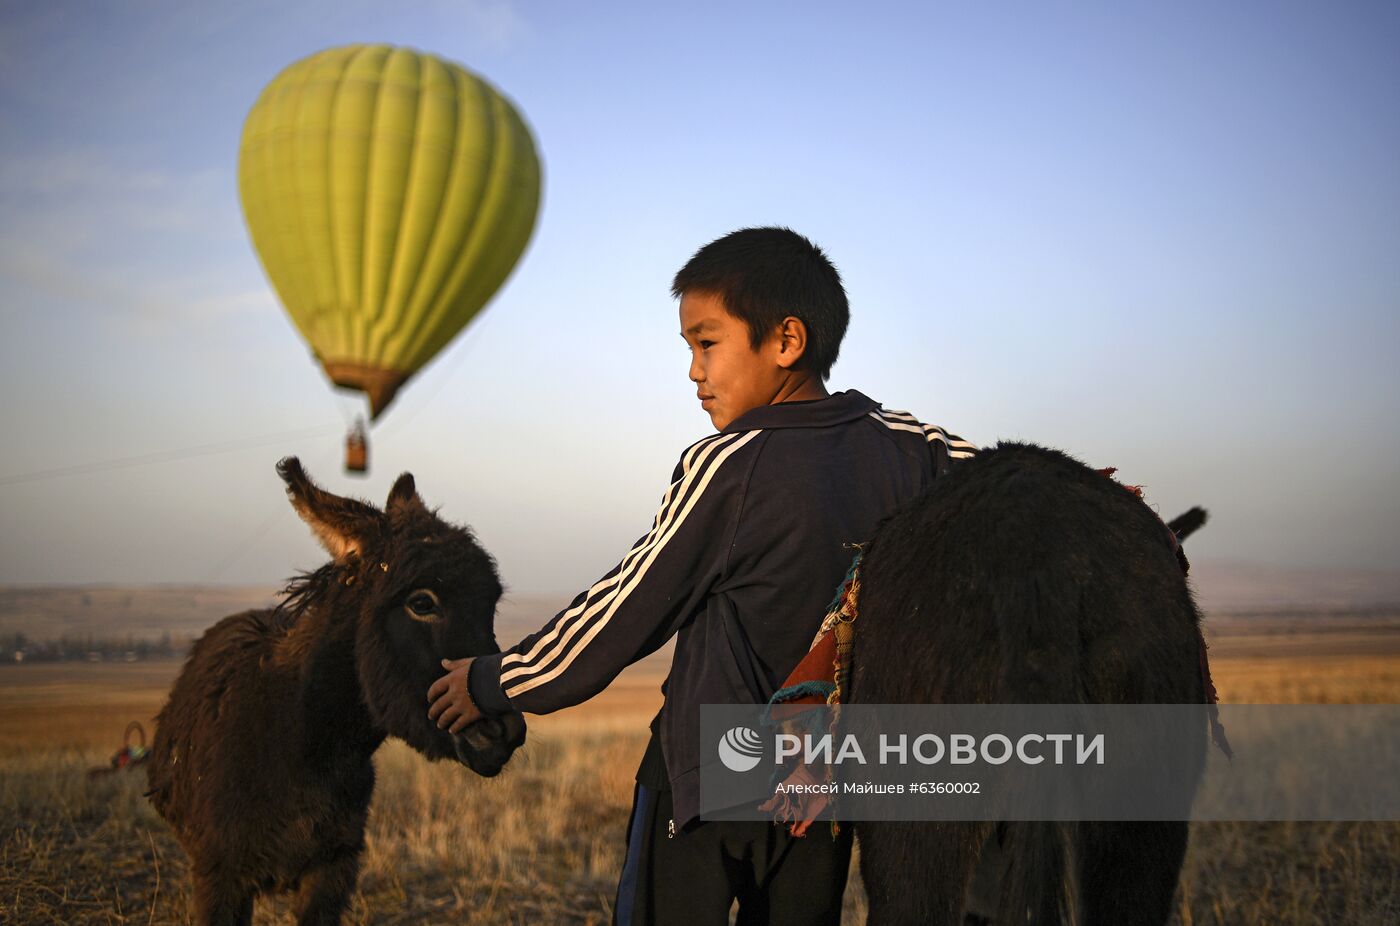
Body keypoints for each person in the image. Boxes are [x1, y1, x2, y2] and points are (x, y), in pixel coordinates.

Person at [427, 226, 978, 925]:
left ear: (786, 341)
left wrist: (491, 681)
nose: (693, 370)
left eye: (706, 343)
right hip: (824, 781)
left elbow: (622, 612)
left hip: (714, 776)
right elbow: (1011, 484)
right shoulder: (912, 448)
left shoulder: (730, 464)